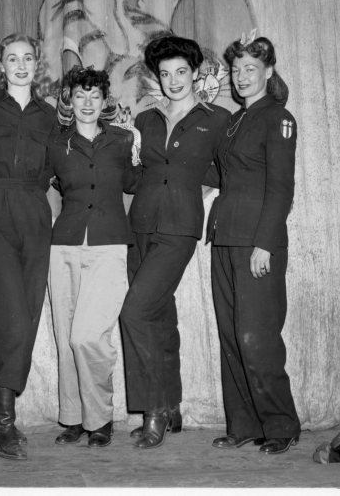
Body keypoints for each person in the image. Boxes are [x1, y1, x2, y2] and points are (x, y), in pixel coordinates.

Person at [119, 36, 231, 450]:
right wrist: (123, 152)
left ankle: (154, 411)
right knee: (159, 317)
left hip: (179, 228)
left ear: (195, 72)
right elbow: (133, 179)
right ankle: (172, 405)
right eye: (165, 74)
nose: (173, 81)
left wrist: (194, 187)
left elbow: (229, 171)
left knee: (134, 311)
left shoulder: (215, 119)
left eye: (181, 72)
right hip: (140, 224)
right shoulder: (145, 120)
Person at [204, 34, 300, 454]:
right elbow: (218, 175)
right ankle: (244, 424)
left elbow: (280, 188)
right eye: (236, 70)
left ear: (268, 72)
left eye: (250, 70)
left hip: (257, 243)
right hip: (224, 238)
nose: (241, 77)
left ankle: (280, 425)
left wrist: (264, 244)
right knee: (230, 335)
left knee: (256, 337)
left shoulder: (278, 117)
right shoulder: (232, 121)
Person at [0, 33, 56, 461]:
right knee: (10, 319)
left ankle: (3, 419)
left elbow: (58, 169)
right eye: (11, 58)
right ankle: (1, 423)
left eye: (28, 58)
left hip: (36, 214)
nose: (20, 65)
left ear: (38, 64)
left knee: (30, 316)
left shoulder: (51, 116)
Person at [47, 66, 141, 448]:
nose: (87, 103)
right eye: (80, 96)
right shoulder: (56, 144)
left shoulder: (121, 140)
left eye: (95, 96)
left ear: (105, 101)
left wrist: (136, 149)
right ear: (70, 100)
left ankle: (100, 418)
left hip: (108, 244)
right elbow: (38, 184)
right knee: (65, 335)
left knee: (88, 336)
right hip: (63, 244)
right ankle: (73, 418)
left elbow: (135, 185)